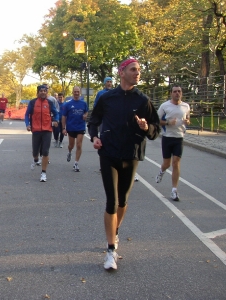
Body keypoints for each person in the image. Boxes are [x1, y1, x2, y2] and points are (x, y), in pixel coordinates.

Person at [88, 58, 160, 270]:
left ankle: (115, 230)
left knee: (122, 201)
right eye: (133, 69)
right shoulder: (107, 98)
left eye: (139, 69)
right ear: (122, 72)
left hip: (131, 155)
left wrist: (147, 127)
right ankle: (111, 250)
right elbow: (93, 120)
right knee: (111, 200)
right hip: (108, 153)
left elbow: (156, 130)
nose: (138, 73)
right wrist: (94, 137)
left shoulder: (143, 100)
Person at [155, 84, 190, 201]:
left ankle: (174, 190)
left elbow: (188, 119)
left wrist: (187, 121)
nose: (177, 93)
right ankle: (161, 171)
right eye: (175, 91)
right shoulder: (165, 106)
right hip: (167, 137)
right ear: (171, 93)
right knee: (167, 164)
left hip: (179, 138)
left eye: (179, 91)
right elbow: (156, 120)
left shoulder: (186, 106)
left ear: (181, 93)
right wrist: (168, 122)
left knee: (176, 163)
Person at [25, 85, 59, 182]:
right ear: (38, 92)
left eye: (45, 91)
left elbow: (56, 113)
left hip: (47, 130)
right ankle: (36, 160)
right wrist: (27, 124)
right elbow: (27, 114)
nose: (43, 92)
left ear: (47, 92)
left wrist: (56, 120)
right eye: (41, 91)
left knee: (45, 152)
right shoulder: (32, 102)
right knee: (35, 152)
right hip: (36, 130)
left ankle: (43, 173)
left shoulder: (50, 102)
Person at [62, 86, 88, 172]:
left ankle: (76, 163)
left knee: (79, 145)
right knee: (71, 145)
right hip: (71, 127)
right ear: (72, 92)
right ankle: (69, 152)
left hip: (80, 127)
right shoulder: (68, 104)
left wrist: (85, 115)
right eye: (75, 92)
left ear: (80, 92)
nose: (76, 93)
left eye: (78, 92)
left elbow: (86, 111)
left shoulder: (83, 103)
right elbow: (64, 116)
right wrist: (63, 128)